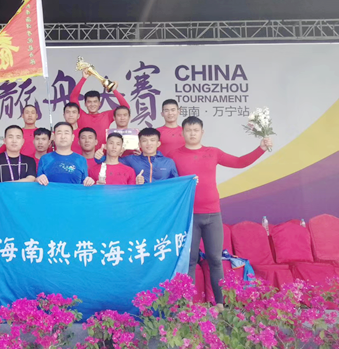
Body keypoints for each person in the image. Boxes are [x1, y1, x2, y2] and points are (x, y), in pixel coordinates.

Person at [168, 116, 273, 312]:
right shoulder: (174, 155)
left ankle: (220, 304)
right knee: (189, 261)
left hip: (212, 214)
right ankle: (187, 306)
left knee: (215, 260)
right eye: (188, 130)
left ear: (202, 132)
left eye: (196, 130)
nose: (192, 133)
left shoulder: (213, 152)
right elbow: (164, 177)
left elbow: (240, 162)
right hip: (188, 216)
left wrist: (260, 148)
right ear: (182, 133)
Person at [70, 69, 131, 147]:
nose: (92, 104)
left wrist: (114, 90)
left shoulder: (107, 115)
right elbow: (73, 97)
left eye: (95, 101)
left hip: (103, 153)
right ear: (85, 104)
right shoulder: (80, 115)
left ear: (100, 103)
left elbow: (125, 107)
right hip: (85, 152)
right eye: (89, 102)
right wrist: (84, 78)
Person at [96, 128, 178, 184]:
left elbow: (176, 184)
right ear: (139, 144)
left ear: (158, 143)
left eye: (152, 140)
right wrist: (99, 158)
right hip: (140, 201)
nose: (149, 144)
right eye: (144, 141)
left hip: (162, 202)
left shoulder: (168, 162)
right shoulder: (131, 159)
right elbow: (111, 161)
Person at [36, 122, 95, 186]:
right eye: (59, 133)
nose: (63, 137)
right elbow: (38, 184)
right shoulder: (45, 159)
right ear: (54, 137)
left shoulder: (81, 160)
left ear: (72, 137)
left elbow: (84, 184)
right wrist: (38, 179)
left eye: (66, 133)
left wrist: (89, 181)